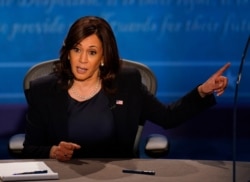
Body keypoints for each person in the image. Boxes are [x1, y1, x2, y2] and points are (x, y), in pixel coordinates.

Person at [22, 16, 230, 161]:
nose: (82, 60)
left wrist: (202, 91)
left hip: (117, 175)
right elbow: (30, 149)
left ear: (103, 58)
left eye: (92, 52)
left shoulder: (127, 84)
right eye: (77, 50)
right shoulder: (43, 90)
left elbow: (169, 117)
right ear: (68, 52)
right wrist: (53, 152)